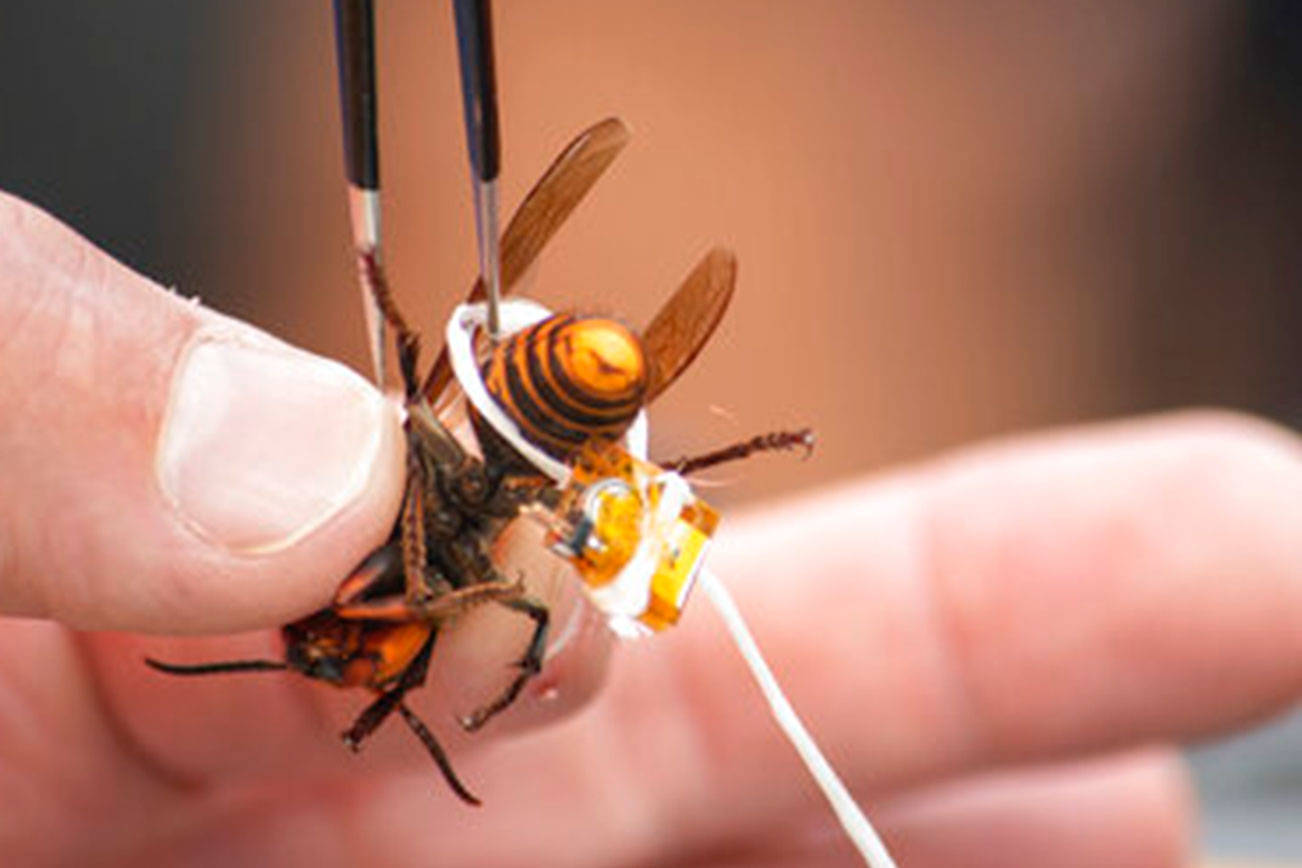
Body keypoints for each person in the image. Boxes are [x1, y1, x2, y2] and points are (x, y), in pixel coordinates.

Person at [1, 188, 1298, 867]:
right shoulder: (435, 590)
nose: (361, 665)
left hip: (534, 399)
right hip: (545, 408)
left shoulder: (372, 545)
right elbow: (491, 599)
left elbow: (482, 587)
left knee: (523, 545)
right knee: (533, 555)